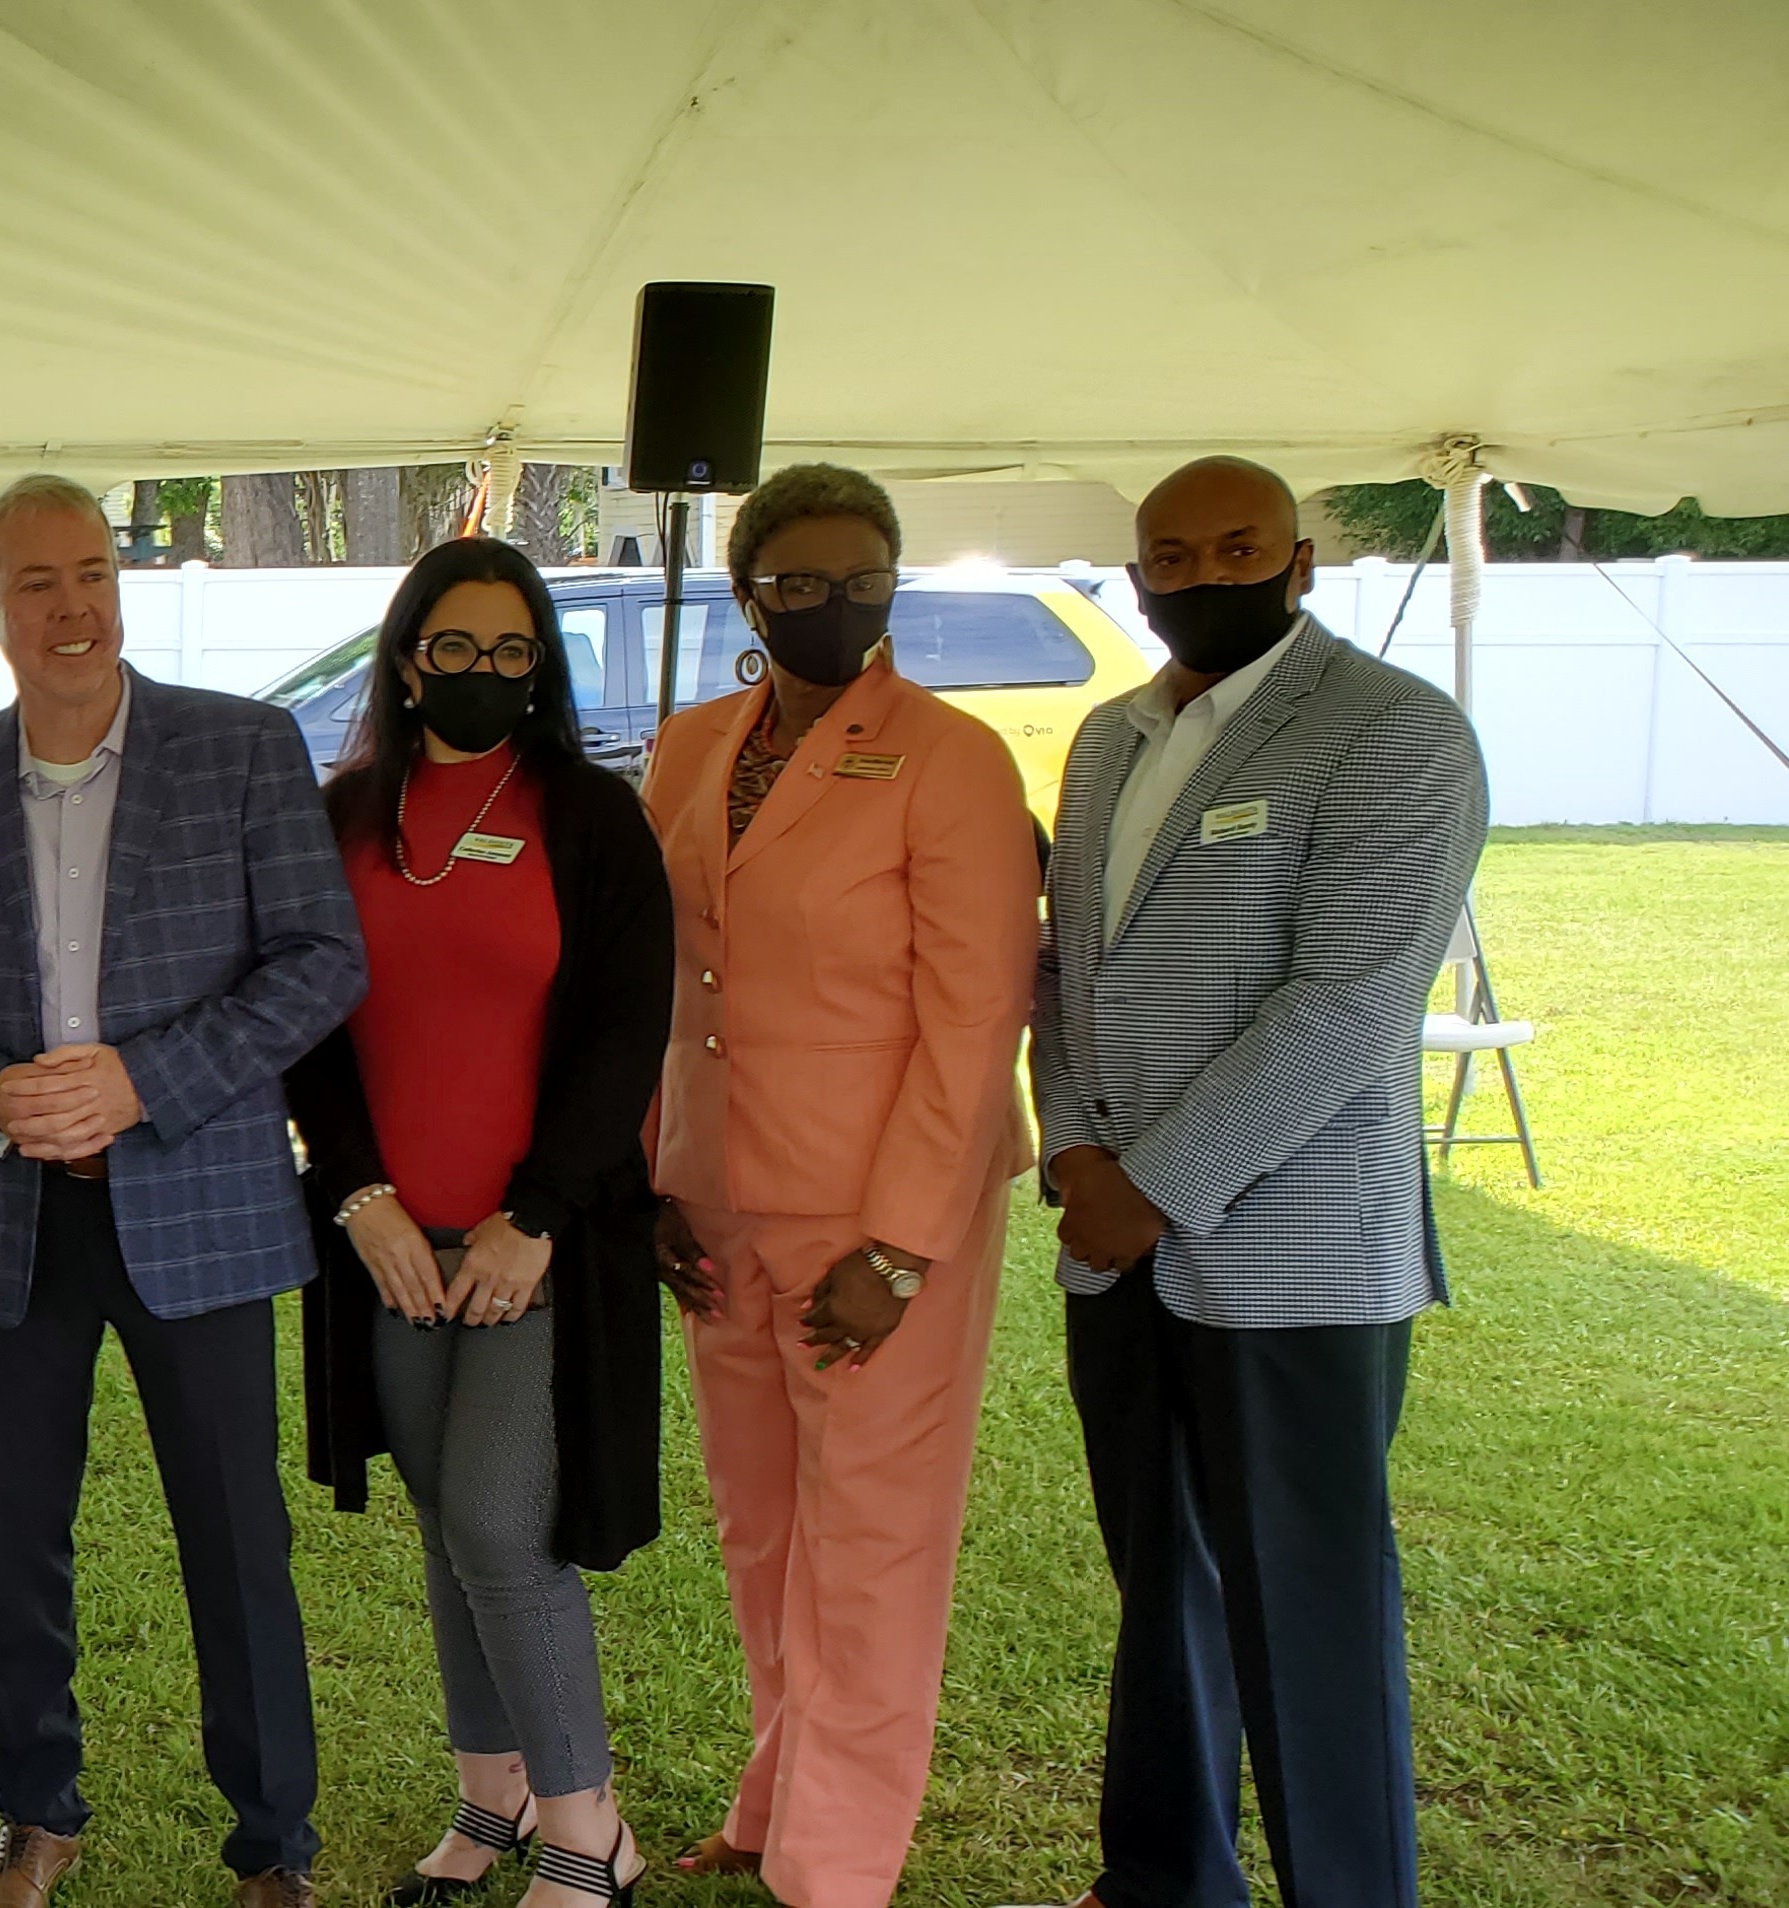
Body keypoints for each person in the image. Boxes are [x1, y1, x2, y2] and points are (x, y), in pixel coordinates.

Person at [0, 474, 366, 1908]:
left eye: (93, 573)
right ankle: (35, 1816)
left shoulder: (244, 750)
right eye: (38, 584)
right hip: (12, 1222)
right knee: (15, 1535)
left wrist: (150, 1080)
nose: (73, 606)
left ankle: (275, 1844)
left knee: (235, 1537)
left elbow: (322, 964)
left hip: (195, 1206)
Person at [1025, 456, 1485, 1908]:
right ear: (1140, 570)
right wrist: (1073, 1147)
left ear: (1299, 561)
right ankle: (1163, 1879)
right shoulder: (1107, 738)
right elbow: (1065, 973)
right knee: (1159, 1588)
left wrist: (1155, 1184)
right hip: (1118, 1241)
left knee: (1309, 1608)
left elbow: (1351, 999)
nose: (1203, 577)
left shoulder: (1395, 733)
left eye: (1238, 549)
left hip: (1291, 1255)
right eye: (1172, 554)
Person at [632, 466, 1041, 1908]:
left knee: (870, 1541)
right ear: (749, 590)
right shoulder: (688, 748)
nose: (834, 606)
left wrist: (909, 1246)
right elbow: (657, 979)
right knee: (760, 1524)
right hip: (714, 1195)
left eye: (863, 579)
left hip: (879, 1221)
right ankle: (777, 1790)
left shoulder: (953, 758)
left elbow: (975, 1015)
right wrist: (651, 1177)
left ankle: (836, 1867)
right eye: (799, 584)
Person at [283, 538, 674, 1908]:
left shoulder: (593, 818)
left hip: (540, 1243)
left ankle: (588, 1829)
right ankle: (492, 1794)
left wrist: (535, 1216)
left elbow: (630, 1034)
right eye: (456, 648)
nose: (483, 673)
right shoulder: (343, 820)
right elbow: (308, 1031)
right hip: (395, 1241)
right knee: (447, 1513)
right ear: (406, 660)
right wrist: (360, 1195)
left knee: (506, 1527)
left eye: (514, 652)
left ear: (540, 670)